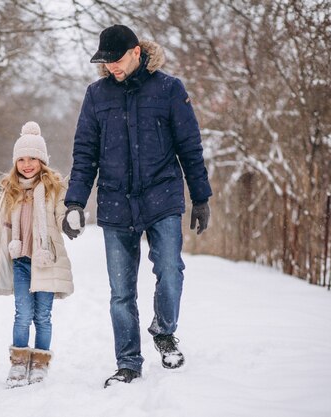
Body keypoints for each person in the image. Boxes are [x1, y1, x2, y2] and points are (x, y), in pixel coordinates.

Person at [62, 25, 212, 387]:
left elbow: (189, 146)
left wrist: (201, 197)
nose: (110, 67)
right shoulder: (96, 96)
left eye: (115, 60)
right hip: (115, 203)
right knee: (121, 291)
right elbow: (85, 153)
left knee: (170, 270)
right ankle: (128, 362)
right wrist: (75, 202)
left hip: (162, 196)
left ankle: (164, 331)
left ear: (134, 52)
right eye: (105, 62)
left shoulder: (169, 89)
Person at [0, 121, 74, 388]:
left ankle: (40, 363)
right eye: (21, 159)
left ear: (42, 161)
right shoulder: (11, 192)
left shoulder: (53, 190)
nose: (27, 164)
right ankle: (19, 361)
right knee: (22, 314)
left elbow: (61, 216)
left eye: (32, 158)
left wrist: (72, 220)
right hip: (21, 261)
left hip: (45, 261)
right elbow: (1, 225)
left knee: (42, 316)